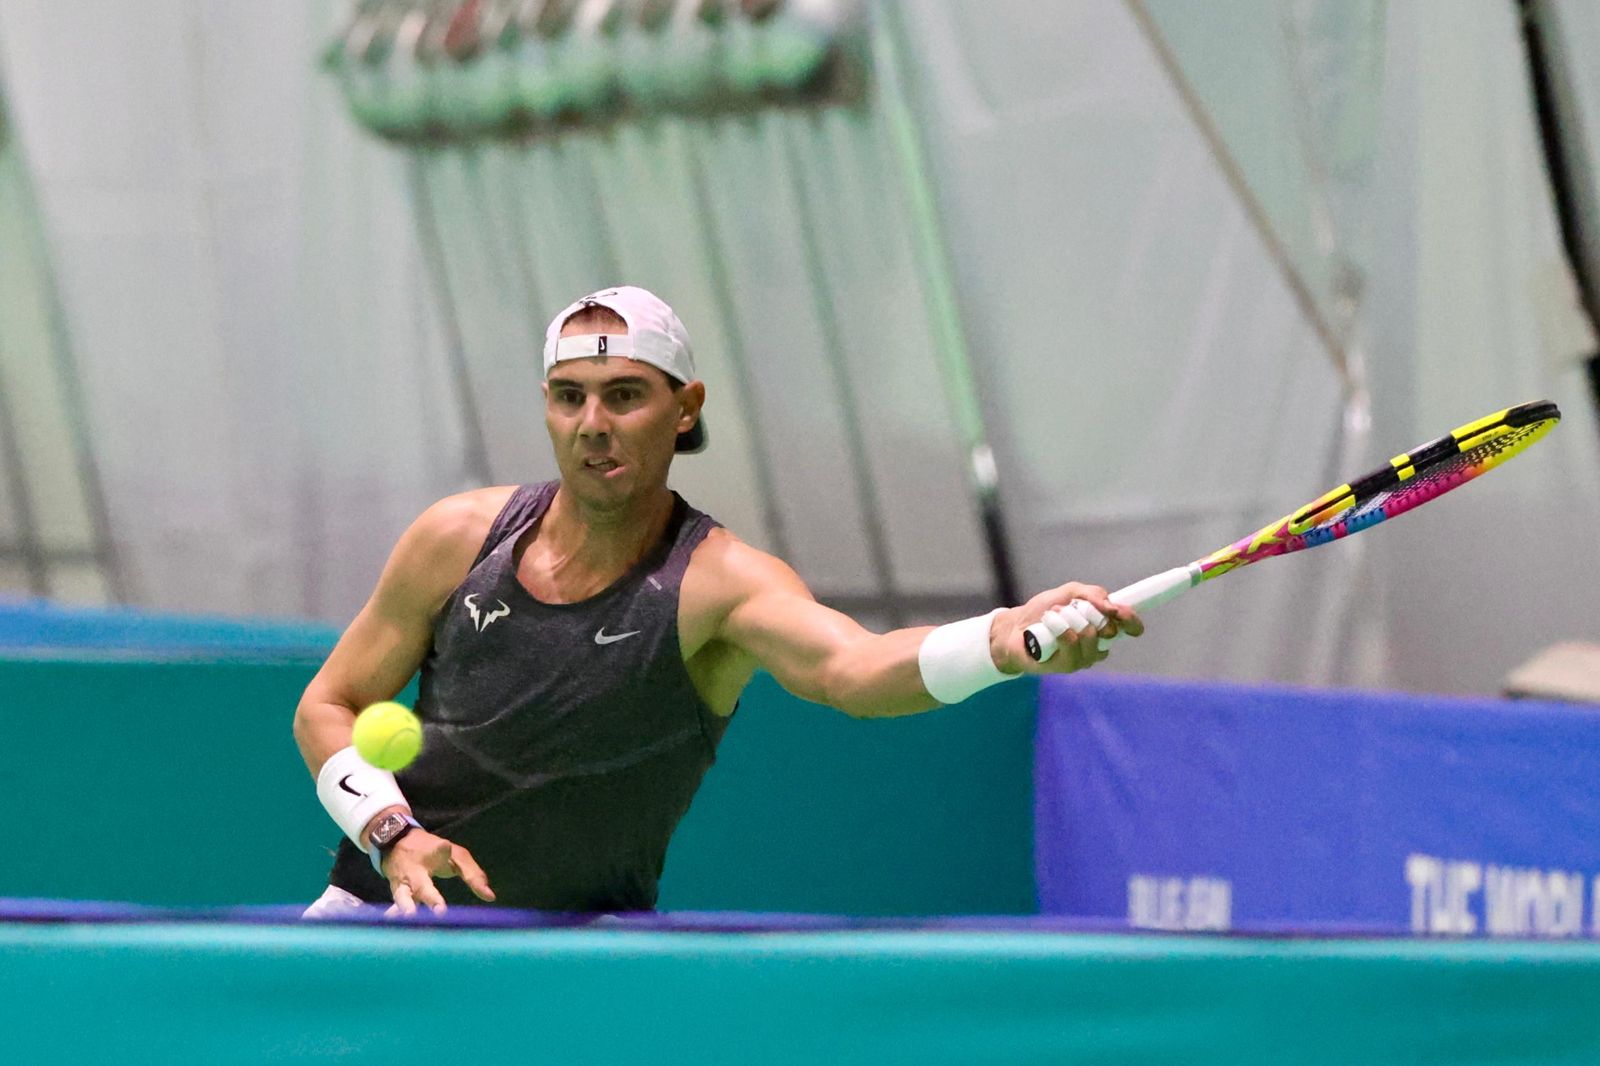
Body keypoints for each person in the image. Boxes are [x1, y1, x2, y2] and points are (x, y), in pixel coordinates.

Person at [294, 285, 1142, 919]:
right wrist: (391, 831)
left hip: (576, 963)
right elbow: (327, 706)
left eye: (625, 395)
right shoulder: (459, 537)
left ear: (684, 407)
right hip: (377, 920)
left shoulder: (719, 585)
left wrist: (1004, 638)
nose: (594, 423)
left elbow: (853, 669)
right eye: (570, 397)